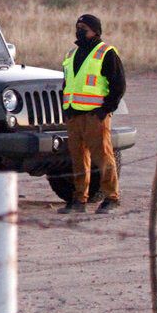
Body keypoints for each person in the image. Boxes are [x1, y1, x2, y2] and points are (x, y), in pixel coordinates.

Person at [59, 14, 126, 215]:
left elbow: (118, 85)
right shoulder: (71, 54)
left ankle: (111, 197)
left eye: (84, 27)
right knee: (78, 158)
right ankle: (79, 199)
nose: (79, 30)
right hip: (74, 115)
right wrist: (67, 110)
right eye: (77, 26)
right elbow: (67, 83)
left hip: (95, 115)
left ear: (95, 31)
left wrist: (105, 110)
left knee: (103, 156)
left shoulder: (106, 53)